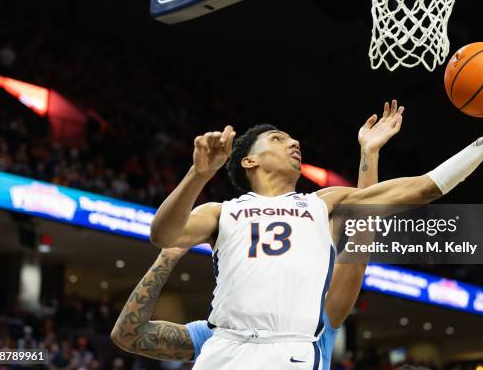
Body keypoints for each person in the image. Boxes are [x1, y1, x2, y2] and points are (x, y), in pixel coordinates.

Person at [149, 61, 483, 370]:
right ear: (249, 159)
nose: (294, 142)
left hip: (291, 352)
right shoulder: (222, 212)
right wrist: (198, 174)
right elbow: (163, 235)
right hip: (224, 350)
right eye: (279, 139)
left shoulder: (323, 203)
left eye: (292, 138)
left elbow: (424, 188)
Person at [112, 103, 405, 368]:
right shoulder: (216, 335)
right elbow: (129, 334)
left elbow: (359, 244)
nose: (294, 142)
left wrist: (370, 153)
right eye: (278, 138)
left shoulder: (317, 324)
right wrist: (168, 255)